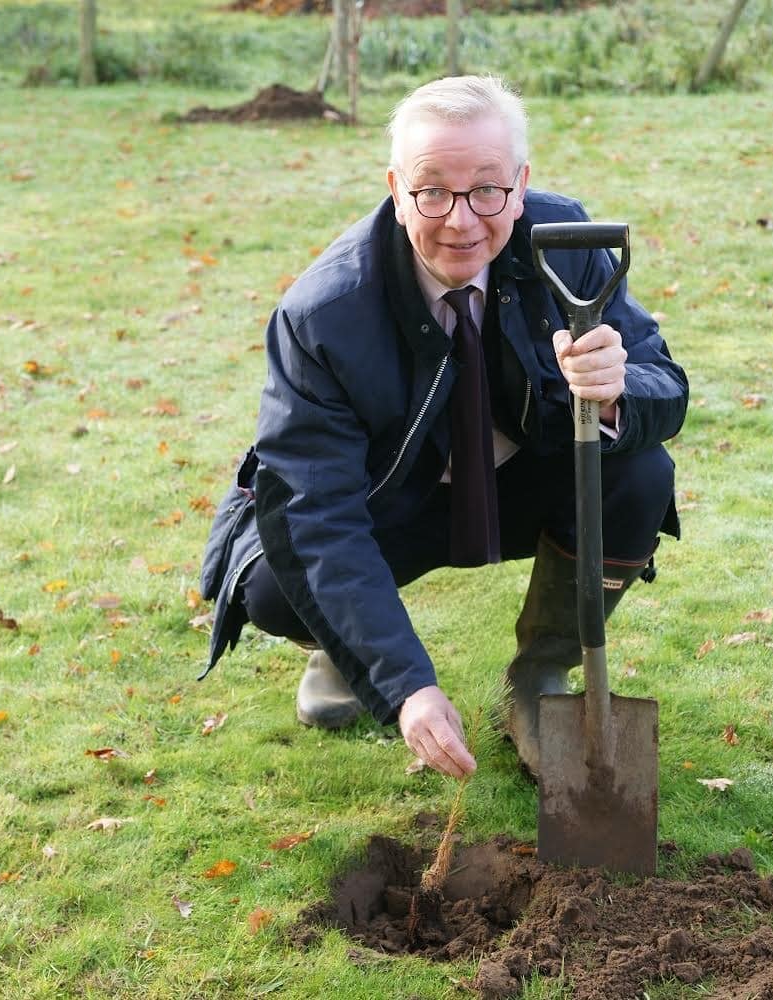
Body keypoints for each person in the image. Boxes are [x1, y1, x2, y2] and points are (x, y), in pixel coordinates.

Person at [198, 75, 687, 779]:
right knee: (277, 580)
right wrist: (408, 688)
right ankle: (344, 648)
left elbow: (668, 387)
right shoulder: (323, 316)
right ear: (397, 191)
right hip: (388, 505)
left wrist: (616, 393)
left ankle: (537, 680)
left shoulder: (567, 246)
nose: (461, 220)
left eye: (487, 190)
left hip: (521, 488)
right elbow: (317, 516)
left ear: (520, 187)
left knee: (639, 476)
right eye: (432, 191)